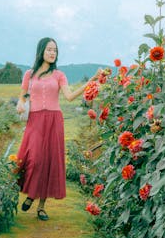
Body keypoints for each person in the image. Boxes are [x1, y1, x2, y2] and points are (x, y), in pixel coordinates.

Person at [15, 37, 101, 221]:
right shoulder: (29, 75)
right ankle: (30, 193)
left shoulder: (59, 75)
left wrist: (91, 80)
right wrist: (21, 105)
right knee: (34, 159)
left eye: (55, 50)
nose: (52, 53)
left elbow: (69, 96)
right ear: (41, 52)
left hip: (54, 120)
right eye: (49, 50)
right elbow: (22, 97)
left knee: (49, 161)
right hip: (35, 120)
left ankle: (41, 206)